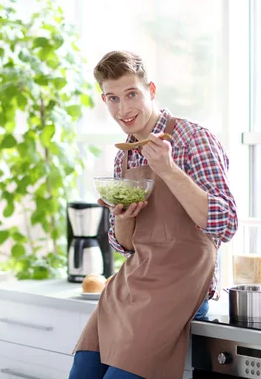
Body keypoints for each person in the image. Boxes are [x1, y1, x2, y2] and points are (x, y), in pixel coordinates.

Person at [68, 51, 238, 379]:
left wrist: (168, 168)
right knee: (81, 372)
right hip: (130, 286)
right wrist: (122, 214)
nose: (123, 109)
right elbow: (127, 245)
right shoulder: (124, 156)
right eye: (113, 99)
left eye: (132, 94)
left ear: (152, 90)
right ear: (104, 100)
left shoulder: (193, 139)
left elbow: (226, 223)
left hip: (179, 291)